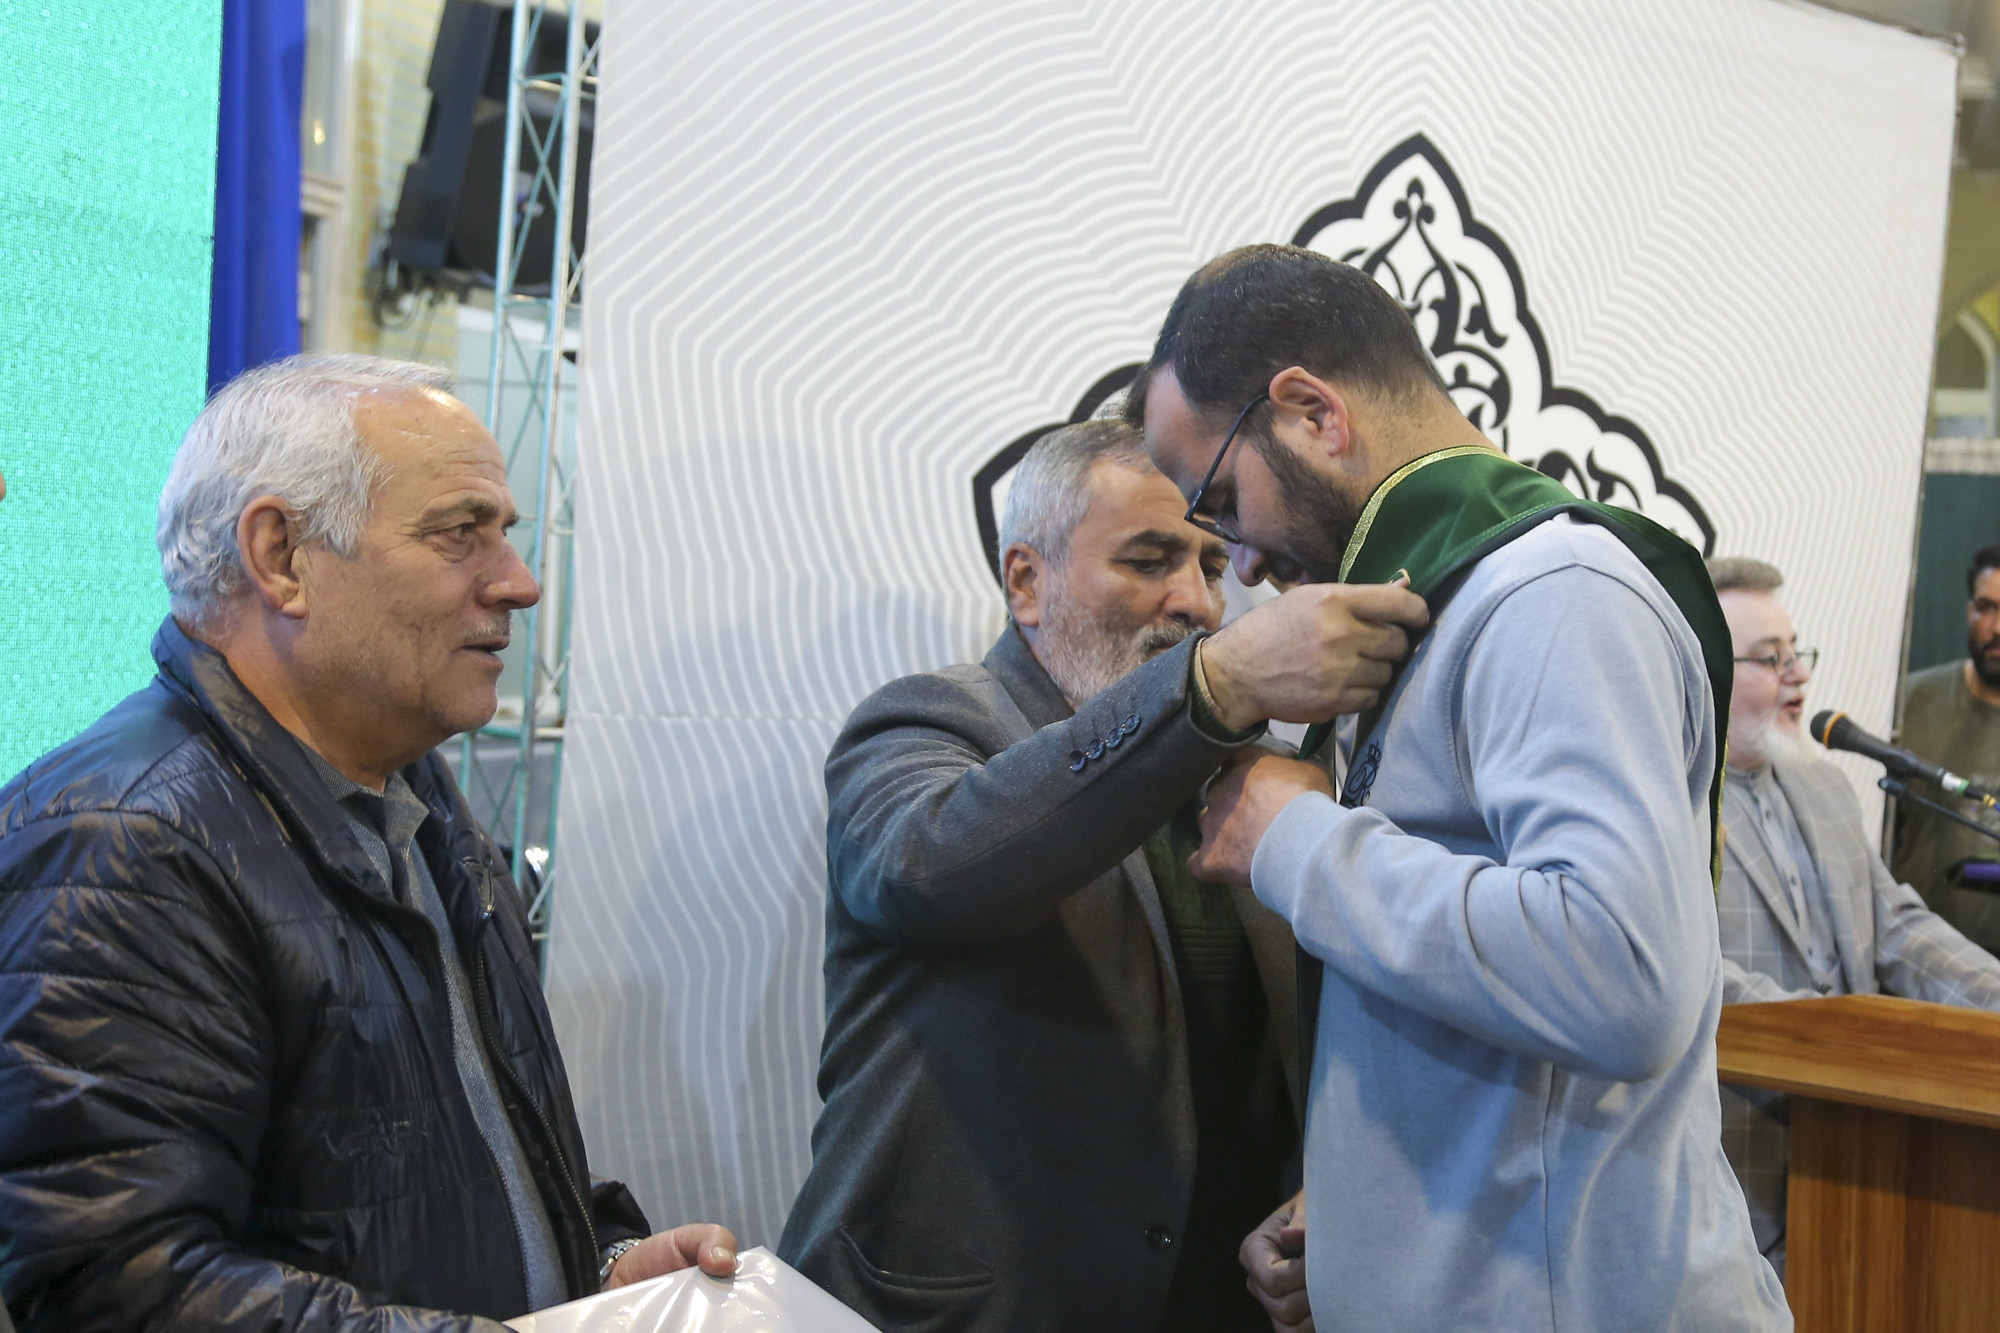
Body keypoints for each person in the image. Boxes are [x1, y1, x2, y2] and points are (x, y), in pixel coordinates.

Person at [1129, 244, 1789, 1331]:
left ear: (1310, 413)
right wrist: (1359, 1215)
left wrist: (1292, 838)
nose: (1238, 565)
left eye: (1223, 501)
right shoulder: (1434, 601)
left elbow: (1620, 975)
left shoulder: (1552, 593)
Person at [0, 355, 735, 1331]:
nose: (518, 583)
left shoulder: (414, 791)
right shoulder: (123, 845)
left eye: (505, 534)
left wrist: (594, 1274)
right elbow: (118, 1284)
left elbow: (436, 1170)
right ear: (281, 557)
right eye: (459, 533)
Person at [779, 418, 1425, 1333]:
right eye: (1149, 560)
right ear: (1025, 580)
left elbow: (1325, 1044)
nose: (1196, 604)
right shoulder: (927, 725)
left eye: (1212, 565)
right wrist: (1212, 689)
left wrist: (1319, 1197)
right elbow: (925, 868)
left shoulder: (1266, 779)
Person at [1707, 556, 2000, 1277]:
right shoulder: (1668, 805)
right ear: (1704, 667)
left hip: (1864, 1176)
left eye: (1796, 652)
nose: (1798, 676)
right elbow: (1691, 975)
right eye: (1770, 659)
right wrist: (1836, 1039)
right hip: (1732, 1178)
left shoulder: (1825, 785)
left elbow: (1897, 926)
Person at [1891, 543, 2000, 952]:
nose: (1997, 627)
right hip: (1918, 964)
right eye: (1987, 607)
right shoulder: (1909, 704)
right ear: (1969, 611)